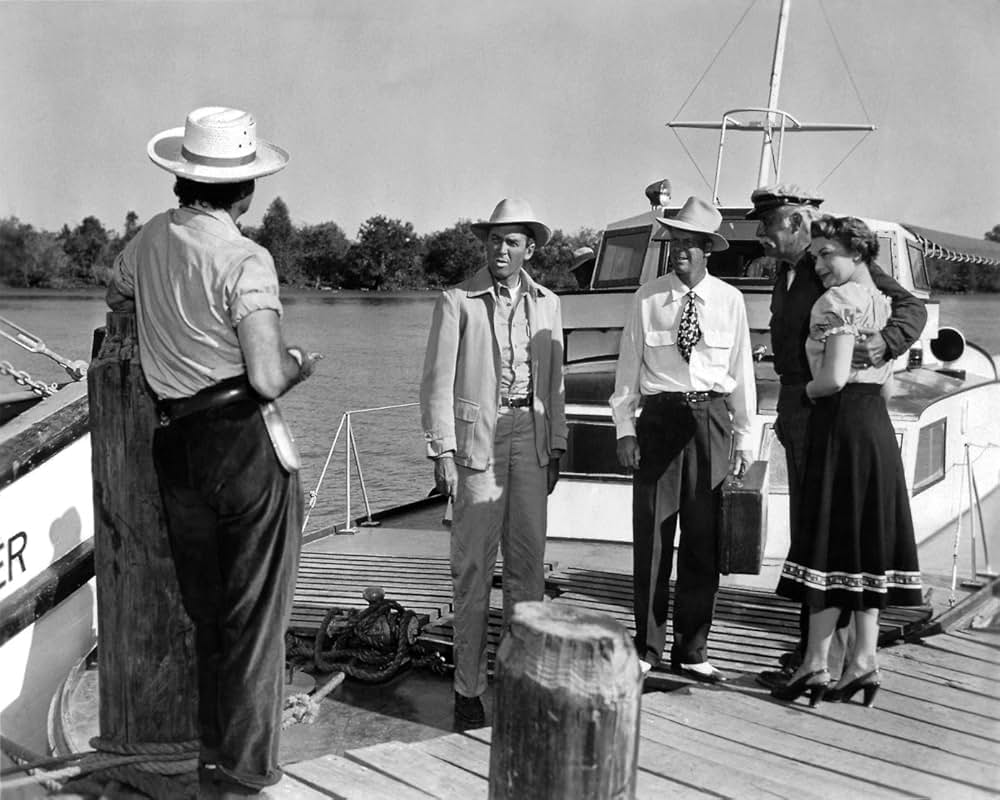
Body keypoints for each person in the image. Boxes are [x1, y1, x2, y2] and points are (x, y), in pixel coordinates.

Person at [106, 106, 320, 797]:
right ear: (246, 191)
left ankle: (207, 756)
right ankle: (247, 774)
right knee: (256, 618)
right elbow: (263, 376)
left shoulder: (145, 243)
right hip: (240, 443)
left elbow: (116, 292)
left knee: (206, 613)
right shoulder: (245, 258)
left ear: (180, 179)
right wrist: (298, 363)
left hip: (176, 446)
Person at [748, 184, 927, 690]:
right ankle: (824, 654)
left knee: (826, 532)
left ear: (798, 223)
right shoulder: (787, 271)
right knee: (815, 529)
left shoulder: (836, 265)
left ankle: (816, 659)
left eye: (769, 228)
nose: (763, 237)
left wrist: (883, 346)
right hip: (797, 407)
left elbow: (910, 308)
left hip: (825, 406)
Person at [419, 198, 568, 727]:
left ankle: (523, 681)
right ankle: (468, 688)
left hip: (531, 436)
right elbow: (436, 383)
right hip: (477, 442)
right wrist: (443, 451)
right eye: (493, 240)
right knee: (474, 569)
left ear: (528, 248)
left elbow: (555, 384)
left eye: (511, 241)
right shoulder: (457, 301)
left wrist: (557, 445)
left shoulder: (549, 303)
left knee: (529, 570)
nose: (500, 249)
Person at [611, 196, 755, 683]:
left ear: (708, 250)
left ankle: (693, 650)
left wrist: (744, 440)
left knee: (703, 542)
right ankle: (646, 645)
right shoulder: (648, 298)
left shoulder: (730, 301)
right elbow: (628, 369)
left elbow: (742, 375)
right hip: (659, 422)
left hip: (711, 421)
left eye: (691, 245)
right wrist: (625, 430)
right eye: (675, 242)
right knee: (652, 540)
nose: (681, 252)